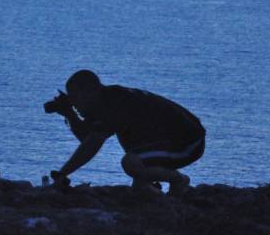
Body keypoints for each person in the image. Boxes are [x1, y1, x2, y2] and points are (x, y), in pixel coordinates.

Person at [46, 70, 205, 195]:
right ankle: (149, 184)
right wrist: (70, 114)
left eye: (75, 100)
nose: (75, 105)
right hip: (169, 141)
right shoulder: (105, 101)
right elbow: (86, 138)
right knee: (138, 181)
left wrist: (62, 174)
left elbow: (91, 144)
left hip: (187, 143)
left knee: (131, 162)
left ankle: (179, 180)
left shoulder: (112, 104)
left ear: (87, 93)